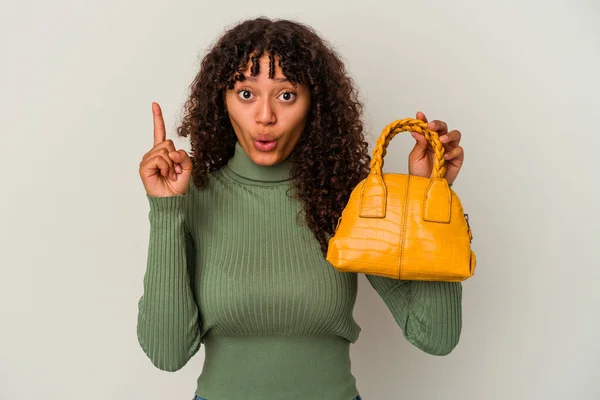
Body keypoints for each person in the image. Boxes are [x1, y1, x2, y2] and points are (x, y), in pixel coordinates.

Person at [136, 17, 465, 400]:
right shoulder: (190, 197)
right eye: (246, 93)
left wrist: (429, 197)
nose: (265, 116)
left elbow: (434, 335)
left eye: (286, 95)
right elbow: (167, 352)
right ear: (220, 101)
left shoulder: (349, 199)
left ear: (315, 105)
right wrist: (165, 210)